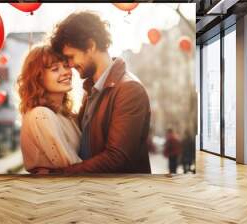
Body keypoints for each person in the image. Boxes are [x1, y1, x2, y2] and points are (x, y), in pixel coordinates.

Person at [50, 11, 151, 173]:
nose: (69, 65)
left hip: (120, 194)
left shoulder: (129, 89)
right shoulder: (92, 89)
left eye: (71, 57)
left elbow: (116, 158)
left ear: (90, 46)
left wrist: (62, 174)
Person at [18, 45, 82, 174]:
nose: (65, 72)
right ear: (38, 77)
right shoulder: (41, 114)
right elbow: (72, 167)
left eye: (66, 66)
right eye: (55, 69)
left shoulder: (64, 115)